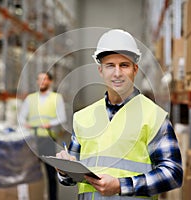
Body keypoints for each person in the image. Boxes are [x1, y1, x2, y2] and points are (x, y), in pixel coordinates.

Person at [56, 29, 183, 199]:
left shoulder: (153, 117)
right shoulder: (83, 117)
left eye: (124, 65)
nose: (117, 73)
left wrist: (121, 186)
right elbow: (71, 179)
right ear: (100, 70)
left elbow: (173, 175)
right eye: (110, 66)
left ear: (135, 69)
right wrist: (65, 171)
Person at [19, 72, 66, 200]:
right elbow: (22, 116)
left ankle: (52, 197)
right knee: (30, 172)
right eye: (39, 79)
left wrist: (48, 124)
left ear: (50, 82)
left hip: (48, 140)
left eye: (44, 80)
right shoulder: (30, 98)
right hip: (32, 140)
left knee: (50, 173)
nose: (42, 82)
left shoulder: (57, 98)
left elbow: (62, 118)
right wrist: (25, 124)